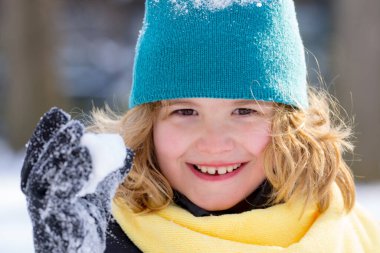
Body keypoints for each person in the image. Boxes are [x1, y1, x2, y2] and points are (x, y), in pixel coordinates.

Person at [21, 0, 380, 252]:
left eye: (244, 111)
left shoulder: (351, 236)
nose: (213, 143)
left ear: (288, 123)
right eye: (184, 112)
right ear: (148, 125)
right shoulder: (103, 237)